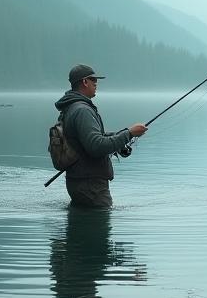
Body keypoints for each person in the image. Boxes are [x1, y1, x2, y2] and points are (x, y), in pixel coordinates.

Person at [54, 64, 147, 207]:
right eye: (93, 80)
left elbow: (90, 139)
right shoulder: (82, 110)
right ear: (85, 82)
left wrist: (123, 135)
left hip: (80, 183)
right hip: (91, 187)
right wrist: (129, 133)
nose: (96, 83)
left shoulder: (72, 107)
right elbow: (96, 146)